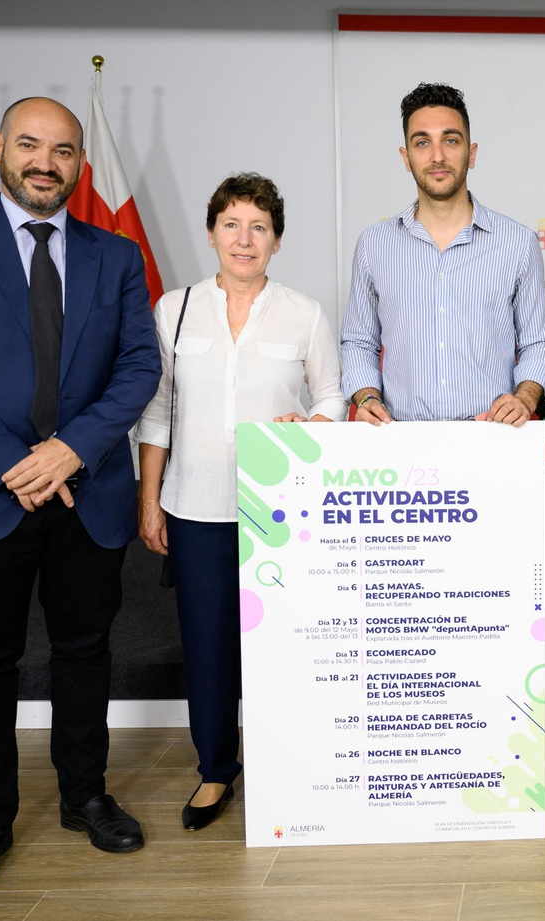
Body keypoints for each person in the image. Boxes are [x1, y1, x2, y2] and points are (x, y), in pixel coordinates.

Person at [0, 97, 161, 897]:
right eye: (32, 145)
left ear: (79, 164)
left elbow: (139, 368)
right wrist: (17, 463)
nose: (47, 162)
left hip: (89, 491)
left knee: (85, 650)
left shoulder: (115, 256)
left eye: (65, 150)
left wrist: (72, 449)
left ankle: (85, 793)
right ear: (3, 149)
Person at [135, 173, 344, 831]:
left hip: (281, 506)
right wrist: (149, 499)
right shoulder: (173, 309)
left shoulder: (304, 312)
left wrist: (309, 423)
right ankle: (216, 768)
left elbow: (332, 399)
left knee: (288, 641)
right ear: (211, 232)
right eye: (231, 224)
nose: (244, 238)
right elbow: (157, 411)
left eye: (258, 226)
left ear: (276, 239)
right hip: (195, 503)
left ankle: (294, 763)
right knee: (208, 643)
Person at [341, 82, 545, 424]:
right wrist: (367, 397)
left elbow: (537, 345)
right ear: (405, 157)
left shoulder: (518, 243)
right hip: (400, 446)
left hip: (491, 440)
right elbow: (358, 342)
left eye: (450, 140)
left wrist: (525, 399)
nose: (437, 156)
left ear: (471, 153)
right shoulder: (373, 244)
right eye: (422, 142)